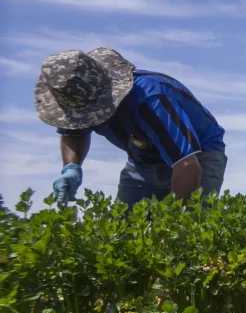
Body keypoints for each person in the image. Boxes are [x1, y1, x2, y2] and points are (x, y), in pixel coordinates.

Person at [34, 48, 228, 208]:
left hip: (198, 156)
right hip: (142, 161)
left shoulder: (151, 100)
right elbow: (73, 131)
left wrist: (173, 229)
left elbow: (188, 166)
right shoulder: (77, 99)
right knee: (125, 233)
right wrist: (71, 167)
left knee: (189, 232)